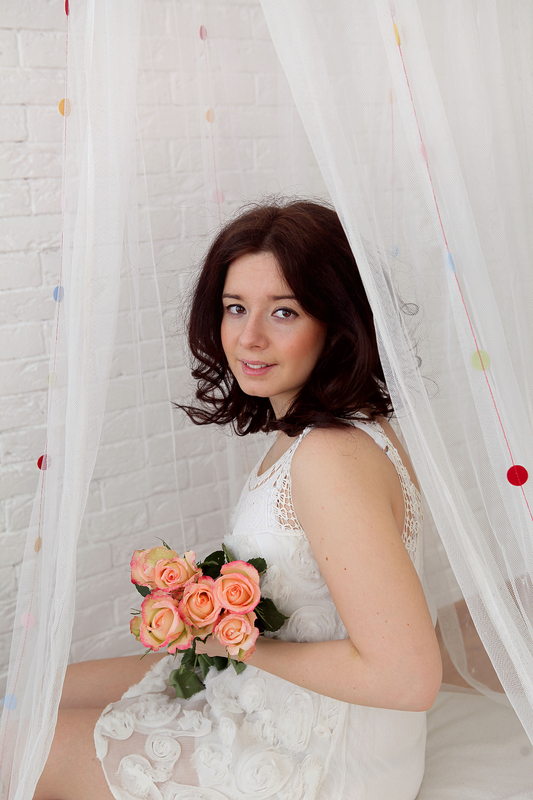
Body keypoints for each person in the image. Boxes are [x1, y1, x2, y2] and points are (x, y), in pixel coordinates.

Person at [35, 199, 442, 800]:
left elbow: (408, 678)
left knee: (18, 743)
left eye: (284, 311)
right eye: (235, 308)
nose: (249, 337)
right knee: (36, 694)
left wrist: (236, 641)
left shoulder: (330, 457)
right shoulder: (332, 430)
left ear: (338, 323)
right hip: (271, 699)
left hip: (320, 761)